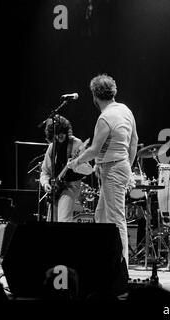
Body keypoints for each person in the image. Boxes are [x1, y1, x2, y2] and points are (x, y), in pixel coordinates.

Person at [68, 74, 138, 267]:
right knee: (100, 215)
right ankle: (103, 257)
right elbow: (134, 143)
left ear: (95, 96)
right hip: (120, 165)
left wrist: (75, 162)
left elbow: (93, 150)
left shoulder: (105, 118)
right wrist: (128, 169)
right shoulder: (125, 110)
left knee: (116, 218)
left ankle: (122, 266)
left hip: (113, 169)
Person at [40, 115, 88, 222]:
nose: (59, 135)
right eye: (56, 133)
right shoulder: (52, 147)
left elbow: (87, 169)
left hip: (70, 186)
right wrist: (45, 184)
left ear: (66, 130)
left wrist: (75, 165)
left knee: (64, 220)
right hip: (55, 189)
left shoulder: (76, 144)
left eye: (62, 132)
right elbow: (45, 172)